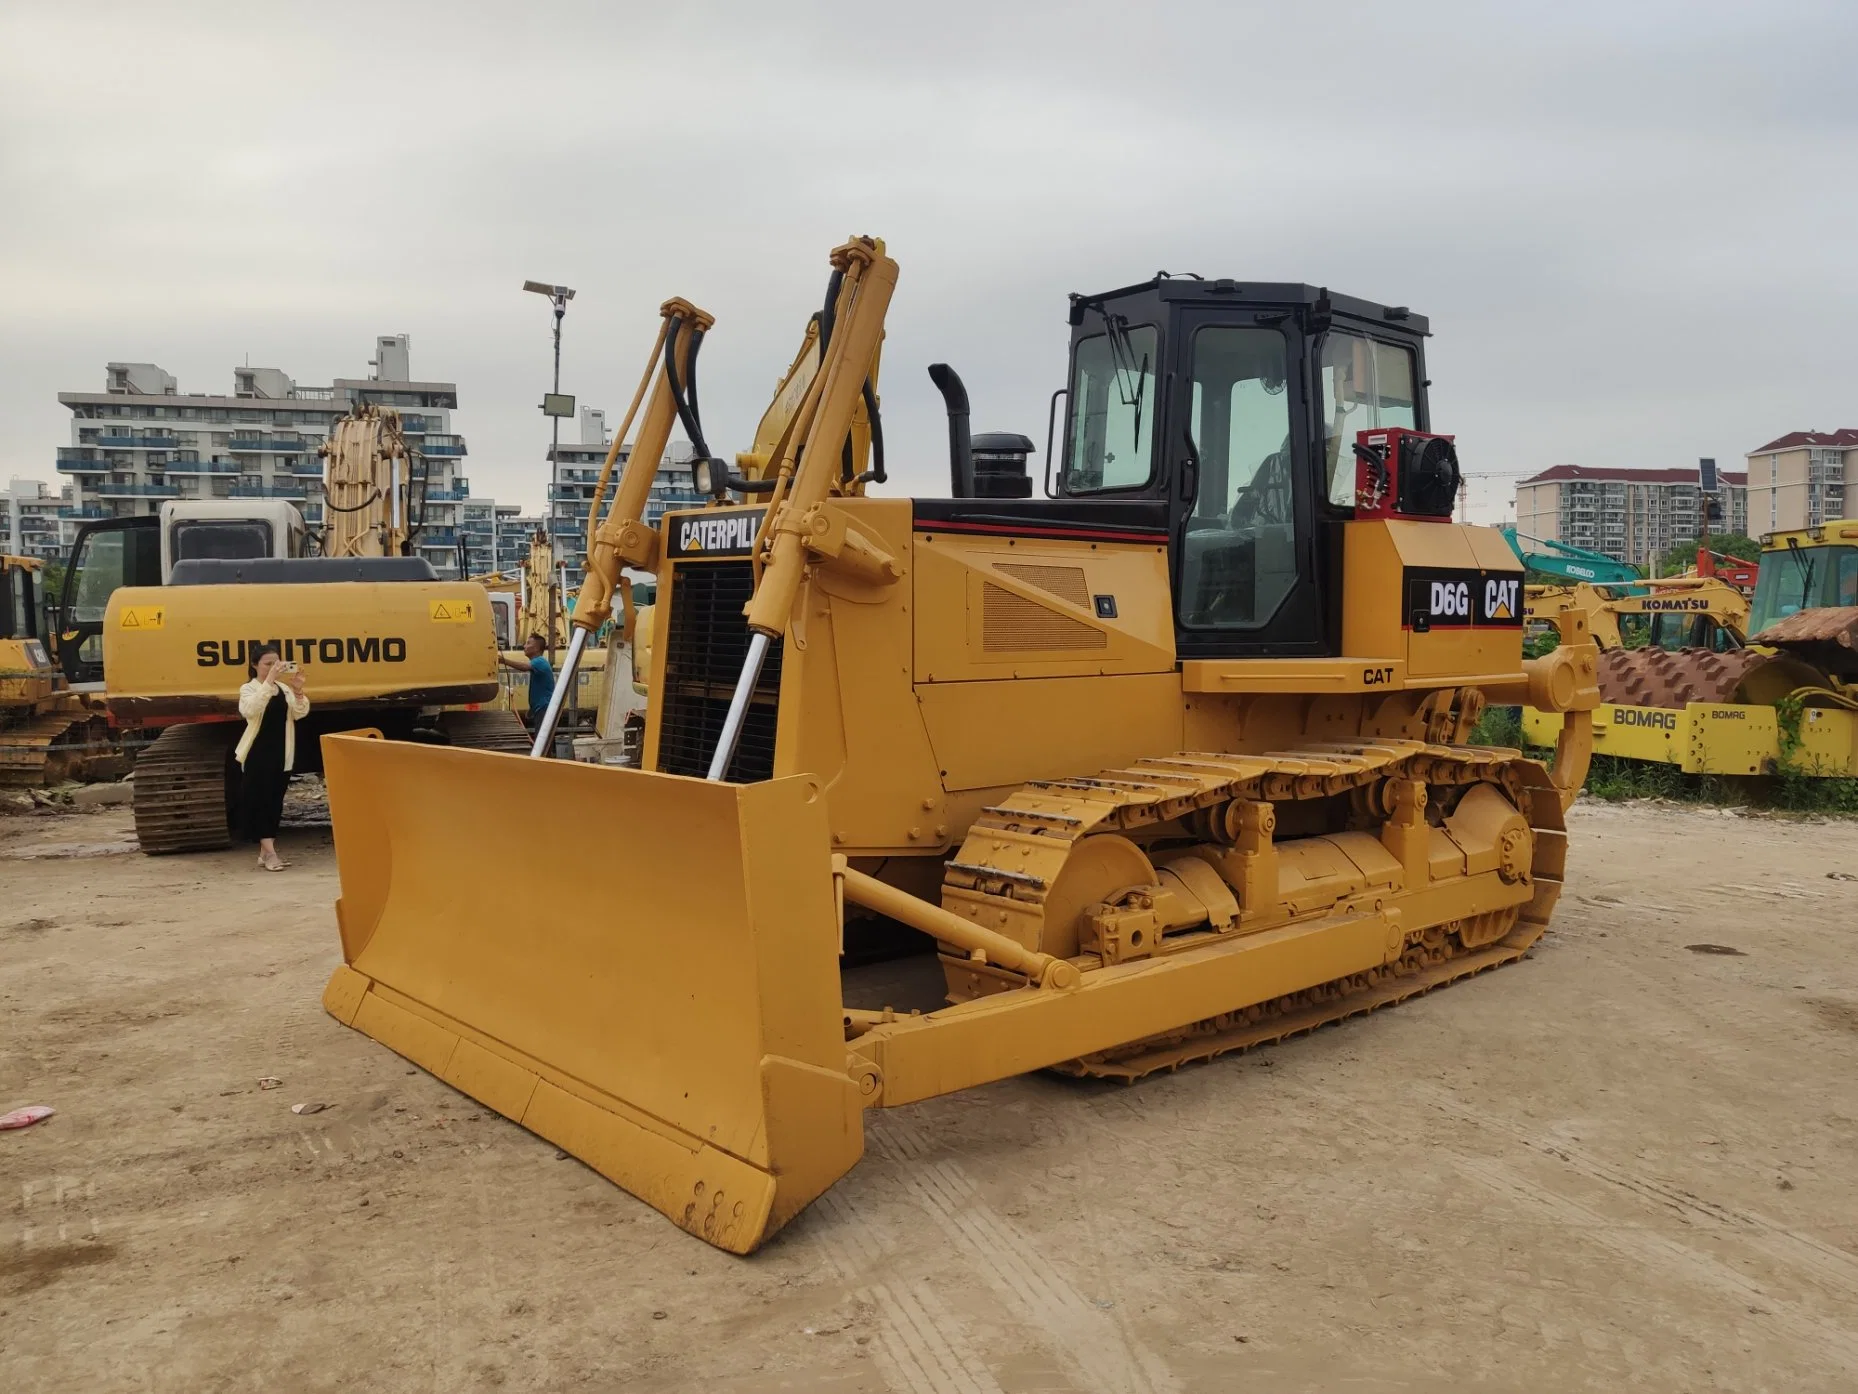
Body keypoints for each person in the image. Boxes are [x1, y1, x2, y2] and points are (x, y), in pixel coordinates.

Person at [236, 646, 309, 872]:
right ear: (255, 665)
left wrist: (297, 691)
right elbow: (251, 710)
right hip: (258, 753)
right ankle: (271, 854)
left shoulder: (284, 689)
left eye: (277, 663)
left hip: (282, 752)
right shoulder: (249, 688)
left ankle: (264, 852)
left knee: (275, 801)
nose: (274, 667)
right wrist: (268, 682)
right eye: (268, 664)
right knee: (260, 801)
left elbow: (299, 713)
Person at [500, 634, 556, 731]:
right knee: (543, 739)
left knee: (542, 740)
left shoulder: (539, 661)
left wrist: (503, 660)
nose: (524, 646)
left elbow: (523, 667)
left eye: (528, 643)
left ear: (537, 648)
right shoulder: (538, 662)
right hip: (541, 708)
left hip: (544, 708)